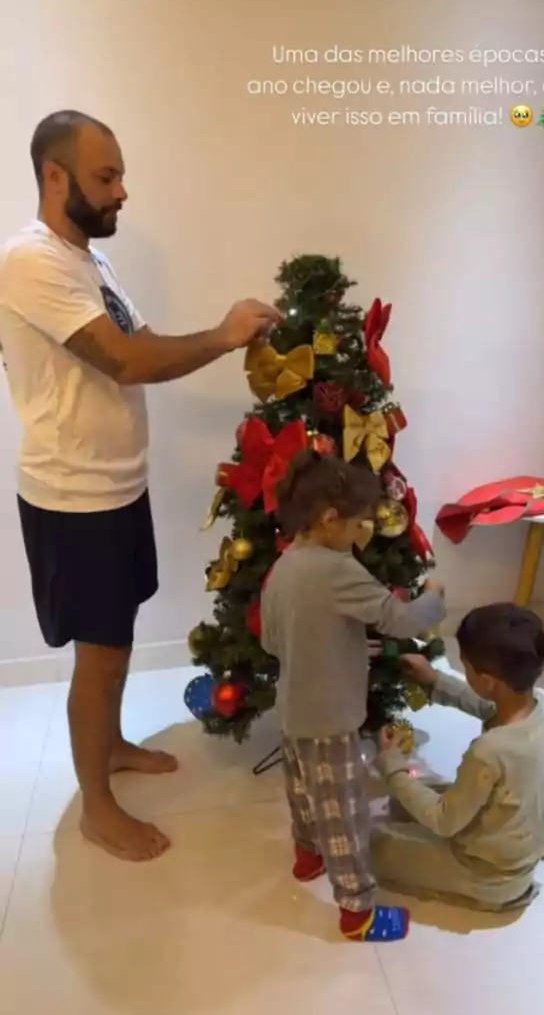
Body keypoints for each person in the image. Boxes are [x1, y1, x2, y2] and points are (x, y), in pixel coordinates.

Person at [0, 110, 282, 862]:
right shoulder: (30, 261)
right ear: (54, 177)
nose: (123, 191)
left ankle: (113, 746)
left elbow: (142, 343)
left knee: (115, 642)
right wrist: (223, 334)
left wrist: (224, 343)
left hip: (117, 487)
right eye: (106, 176)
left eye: (120, 174)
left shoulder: (88, 261)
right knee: (99, 654)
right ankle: (97, 806)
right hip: (73, 498)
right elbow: (124, 361)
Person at [260, 452, 447, 942]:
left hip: (294, 714)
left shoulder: (284, 567)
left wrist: (334, 644)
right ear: (329, 520)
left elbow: (272, 641)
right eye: (359, 522)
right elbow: (402, 619)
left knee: (303, 794)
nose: (364, 532)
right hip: (331, 720)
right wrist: (434, 593)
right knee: (343, 811)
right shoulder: (337, 569)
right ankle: (357, 913)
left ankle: (307, 857)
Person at [372, 603, 544, 911]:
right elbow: (490, 707)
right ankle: (529, 844)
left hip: (488, 873)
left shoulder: (490, 751)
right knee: (401, 803)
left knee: (375, 845)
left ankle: (494, 884)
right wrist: (435, 680)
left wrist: (391, 764)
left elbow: (445, 820)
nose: (463, 670)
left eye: (466, 667)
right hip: (519, 834)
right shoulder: (540, 707)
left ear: (487, 681)